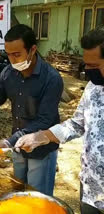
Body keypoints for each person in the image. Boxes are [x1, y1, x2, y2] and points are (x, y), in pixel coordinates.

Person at [0, 25, 64, 196]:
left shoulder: (51, 79)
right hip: (18, 147)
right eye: (8, 54)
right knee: (19, 190)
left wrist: (8, 142)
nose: (12, 60)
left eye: (17, 54)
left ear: (33, 50)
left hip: (41, 148)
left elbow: (45, 120)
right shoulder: (8, 73)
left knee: (37, 197)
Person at [15, 27, 104, 213]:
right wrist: (42, 136)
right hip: (91, 184)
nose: (88, 71)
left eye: (94, 66)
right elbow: (76, 123)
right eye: (85, 65)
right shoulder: (93, 88)